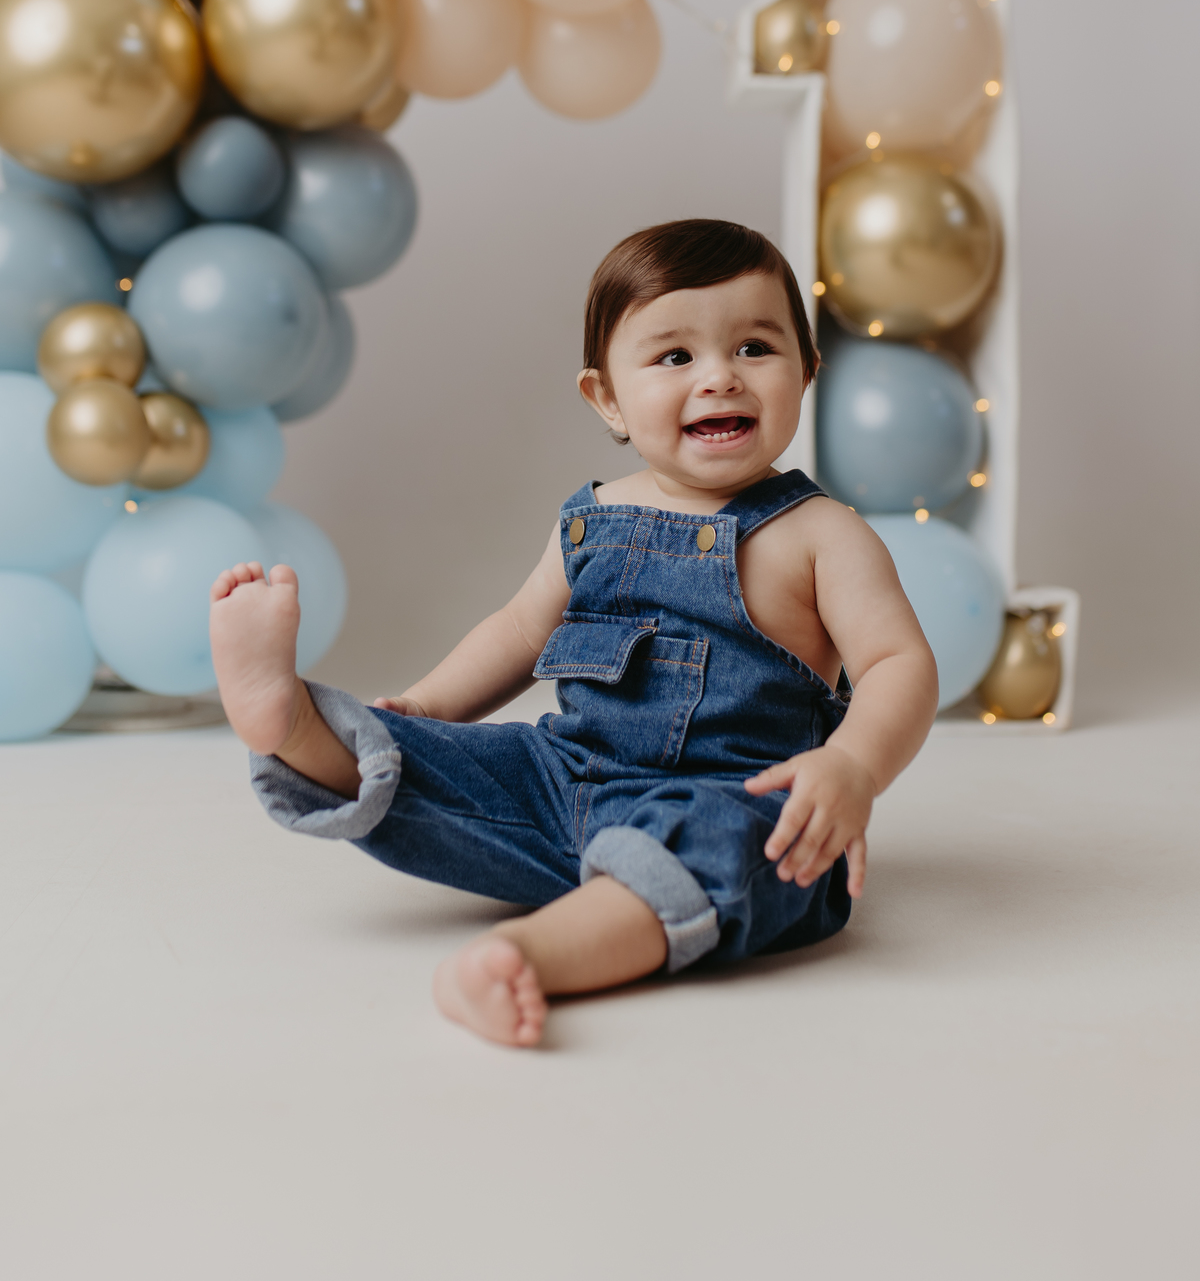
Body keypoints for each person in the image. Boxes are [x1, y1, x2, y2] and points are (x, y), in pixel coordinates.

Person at [211, 219, 938, 1047]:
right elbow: (520, 630)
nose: (720, 378)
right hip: (564, 782)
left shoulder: (822, 534)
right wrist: (428, 707)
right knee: (425, 757)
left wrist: (854, 766)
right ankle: (294, 721)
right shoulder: (594, 519)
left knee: (752, 850)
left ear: (806, 369)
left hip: (735, 796)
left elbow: (898, 663)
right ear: (607, 397)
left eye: (755, 348)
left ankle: (527, 955)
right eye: (675, 356)